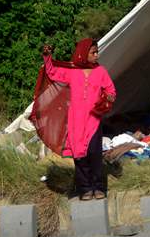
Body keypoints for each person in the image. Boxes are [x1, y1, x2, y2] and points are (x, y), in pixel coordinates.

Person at [42, 38, 116, 201]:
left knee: (94, 154)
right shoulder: (72, 71)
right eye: (93, 52)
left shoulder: (100, 71)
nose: (96, 55)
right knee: (80, 155)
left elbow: (111, 89)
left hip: (93, 120)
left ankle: (98, 187)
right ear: (83, 53)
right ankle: (85, 188)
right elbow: (53, 72)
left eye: (97, 52)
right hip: (76, 121)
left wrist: (108, 98)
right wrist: (47, 56)